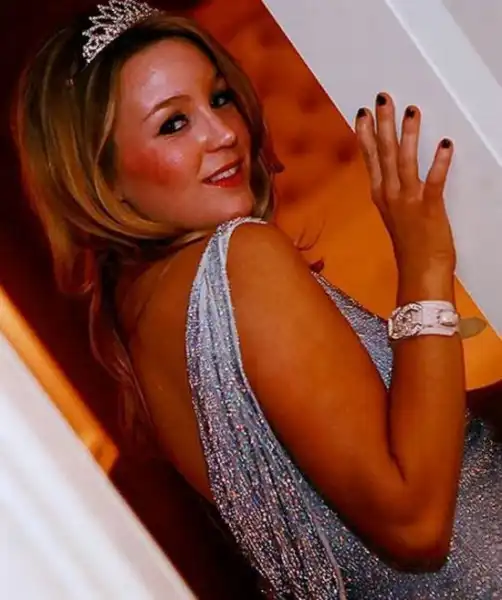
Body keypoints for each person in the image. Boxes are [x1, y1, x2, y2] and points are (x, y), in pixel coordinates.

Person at [12, 1, 502, 598]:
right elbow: (415, 523)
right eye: (173, 123)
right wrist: (424, 266)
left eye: (219, 98)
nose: (224, 133)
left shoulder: (138, 315)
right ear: (102, 175)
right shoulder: (241, 259)